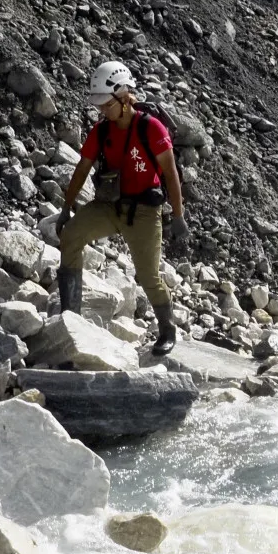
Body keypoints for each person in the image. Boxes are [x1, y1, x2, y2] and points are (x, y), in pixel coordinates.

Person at [55, 61, 191, 355]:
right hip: (108, 205)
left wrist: (178, 215)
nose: (101, 109)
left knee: (148, 275)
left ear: (124, 96)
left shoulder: (151, 128)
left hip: (143, 211)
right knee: (71, 235)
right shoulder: (101, 131)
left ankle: (168, 330)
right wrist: (67, 209)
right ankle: (70, 319)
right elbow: (81, 170)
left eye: (106, 103)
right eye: (99, 104)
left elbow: (170, 173)